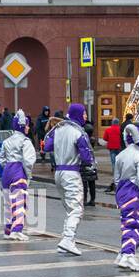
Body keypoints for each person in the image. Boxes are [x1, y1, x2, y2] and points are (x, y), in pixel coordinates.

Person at [46, 104, 95, 256]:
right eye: (84, 113)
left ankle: (66, 240)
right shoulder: (77, 132)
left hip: (58, 173)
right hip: (72, 173)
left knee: (69, 208)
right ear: (78, 114)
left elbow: (47, 147)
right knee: (76, 209)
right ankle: (68, 239)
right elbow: (87, 157)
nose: (86, 117)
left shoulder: (58, 129)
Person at [113, 125, 139, 272]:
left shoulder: (120, 155)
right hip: (135, 193)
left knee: (129, 224)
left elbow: (116, 179)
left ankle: (125, 252)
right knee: (138, 226)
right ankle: (128, 255)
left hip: (122, 193)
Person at [0, 110, 36, 240]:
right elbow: (28, 161)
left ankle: (8, 230)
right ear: (22, 125)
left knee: (8, 203)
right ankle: (17, 230)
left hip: (7, 172)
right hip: (18, 171)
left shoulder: (6, 141)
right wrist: (29, 175)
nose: (28, 127)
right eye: (26, 125)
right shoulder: (25, 141)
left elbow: (1, 159)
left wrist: (8, 167)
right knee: (20, 202)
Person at [101, 119, 124, 194]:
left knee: (113, 162)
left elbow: (105, 138)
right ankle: (120, 173)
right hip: (119, 147)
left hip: (111, 147)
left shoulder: (108, 130)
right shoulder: (120, 129)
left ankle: (115, 174)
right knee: (119, 161)